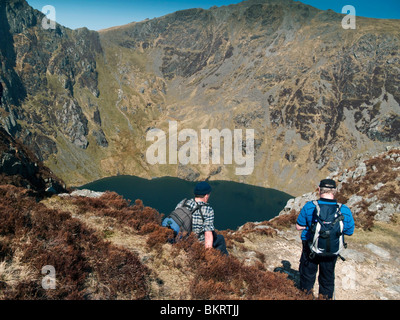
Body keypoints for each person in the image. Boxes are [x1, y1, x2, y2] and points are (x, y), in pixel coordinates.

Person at [296, 179, 355, 299]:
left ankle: (305, 296)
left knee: (307, 277)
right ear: (335, 191)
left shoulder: (310, 206)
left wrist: (309, 226)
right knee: (327, 279)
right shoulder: (344, 210)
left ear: (319, 190)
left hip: (311, 248)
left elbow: (298, 226)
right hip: (331, 250)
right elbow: (349, 231)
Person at [175, 181, 228, 255]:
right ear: (206, 195)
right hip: (197, 244)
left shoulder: (183, 202)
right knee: (220, 238)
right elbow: (208, 234)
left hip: (179, 240)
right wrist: (208, 255)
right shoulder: (208, 210)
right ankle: (223, 260)